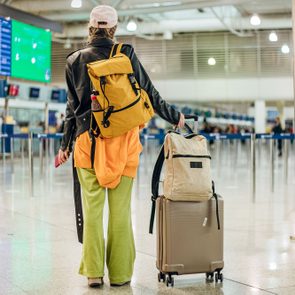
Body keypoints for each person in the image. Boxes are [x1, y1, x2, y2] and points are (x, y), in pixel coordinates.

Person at [58, 5, 185, 289]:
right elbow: (150, 93)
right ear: (113, 29)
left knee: (92, 212)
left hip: (86, 145)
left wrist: (64, 145)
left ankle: (93, 273)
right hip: (124, 144)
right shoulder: (125, 54)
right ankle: (120, 275)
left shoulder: (74, 60)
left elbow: (71, 109)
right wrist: (174, 116)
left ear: (90, 28)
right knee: (120, 212)